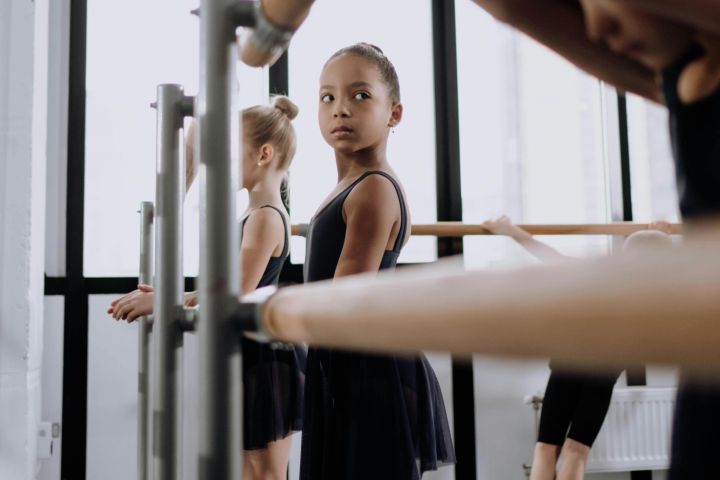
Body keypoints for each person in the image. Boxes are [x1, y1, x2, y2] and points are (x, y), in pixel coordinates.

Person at [107, 96, 305, 480]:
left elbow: (234, 294)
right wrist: (167, 299)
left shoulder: (265, 217)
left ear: (263, 154)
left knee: (264, 472)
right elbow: (227, 288)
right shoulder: (252, 212)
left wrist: (164, 304)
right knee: (251, 467)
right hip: (252, 354)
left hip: (268, 361)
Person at [299, 43, 455, 479]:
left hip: (370, 373)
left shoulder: (373, 188)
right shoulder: (349, 186)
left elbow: (343, 292)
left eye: (360, 95)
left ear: (394, 114)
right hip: (350, 364)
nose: (340, 109)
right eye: (327, 97)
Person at [484, 215, 673, 480]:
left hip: (567, 363)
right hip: (600, 372)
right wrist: (661, 235)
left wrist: (509, 230)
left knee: (545, 449)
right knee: (575, 450)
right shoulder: (652, 292)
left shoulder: (598, 274)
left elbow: (548, 255)